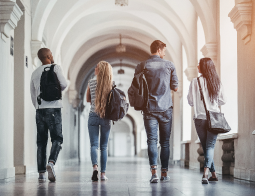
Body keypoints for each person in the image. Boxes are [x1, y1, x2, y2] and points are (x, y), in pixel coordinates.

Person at [134, 40, 178, 183]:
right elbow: (175, 87)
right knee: (165, 142)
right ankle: (164, 173)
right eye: (164, 50)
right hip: (166, 109)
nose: (165, 53)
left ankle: (154, 173)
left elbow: (136, 86)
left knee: (151, 141)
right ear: (159, 50)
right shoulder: (169, 65)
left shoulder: (141, 66)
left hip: (149, 109)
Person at [30, 48, 67, 182]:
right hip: (54, 108)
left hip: (40, 110)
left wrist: (39, 107)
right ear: (49, 56)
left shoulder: (34, 72)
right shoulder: (55, 68)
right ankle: (51, 163)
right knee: (57, 138)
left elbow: (33, 94)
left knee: (41, 142)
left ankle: (41, 173)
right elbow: (64, 84)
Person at [187, 57, 226, 184]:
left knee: (206, 147)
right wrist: (212, 102)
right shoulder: (216, 82)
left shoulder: (194, 82)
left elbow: (190, 101)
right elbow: (223, 101)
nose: (197, 66)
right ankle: (210, 174)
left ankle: (207, 174)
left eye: (199, 64)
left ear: (204, 67)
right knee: (208, 147)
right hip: (214, 118)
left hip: (199, 118)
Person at [86, 61, 113, 181]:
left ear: (99, 70)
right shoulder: (111, 84)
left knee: (94, 145)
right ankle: (103, 174)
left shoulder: (91, 82)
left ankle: (95, 168)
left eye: (96, 67)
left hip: (93, 115)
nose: (94, 68)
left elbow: (88, 99)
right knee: (104, 147)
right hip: (106, 117)